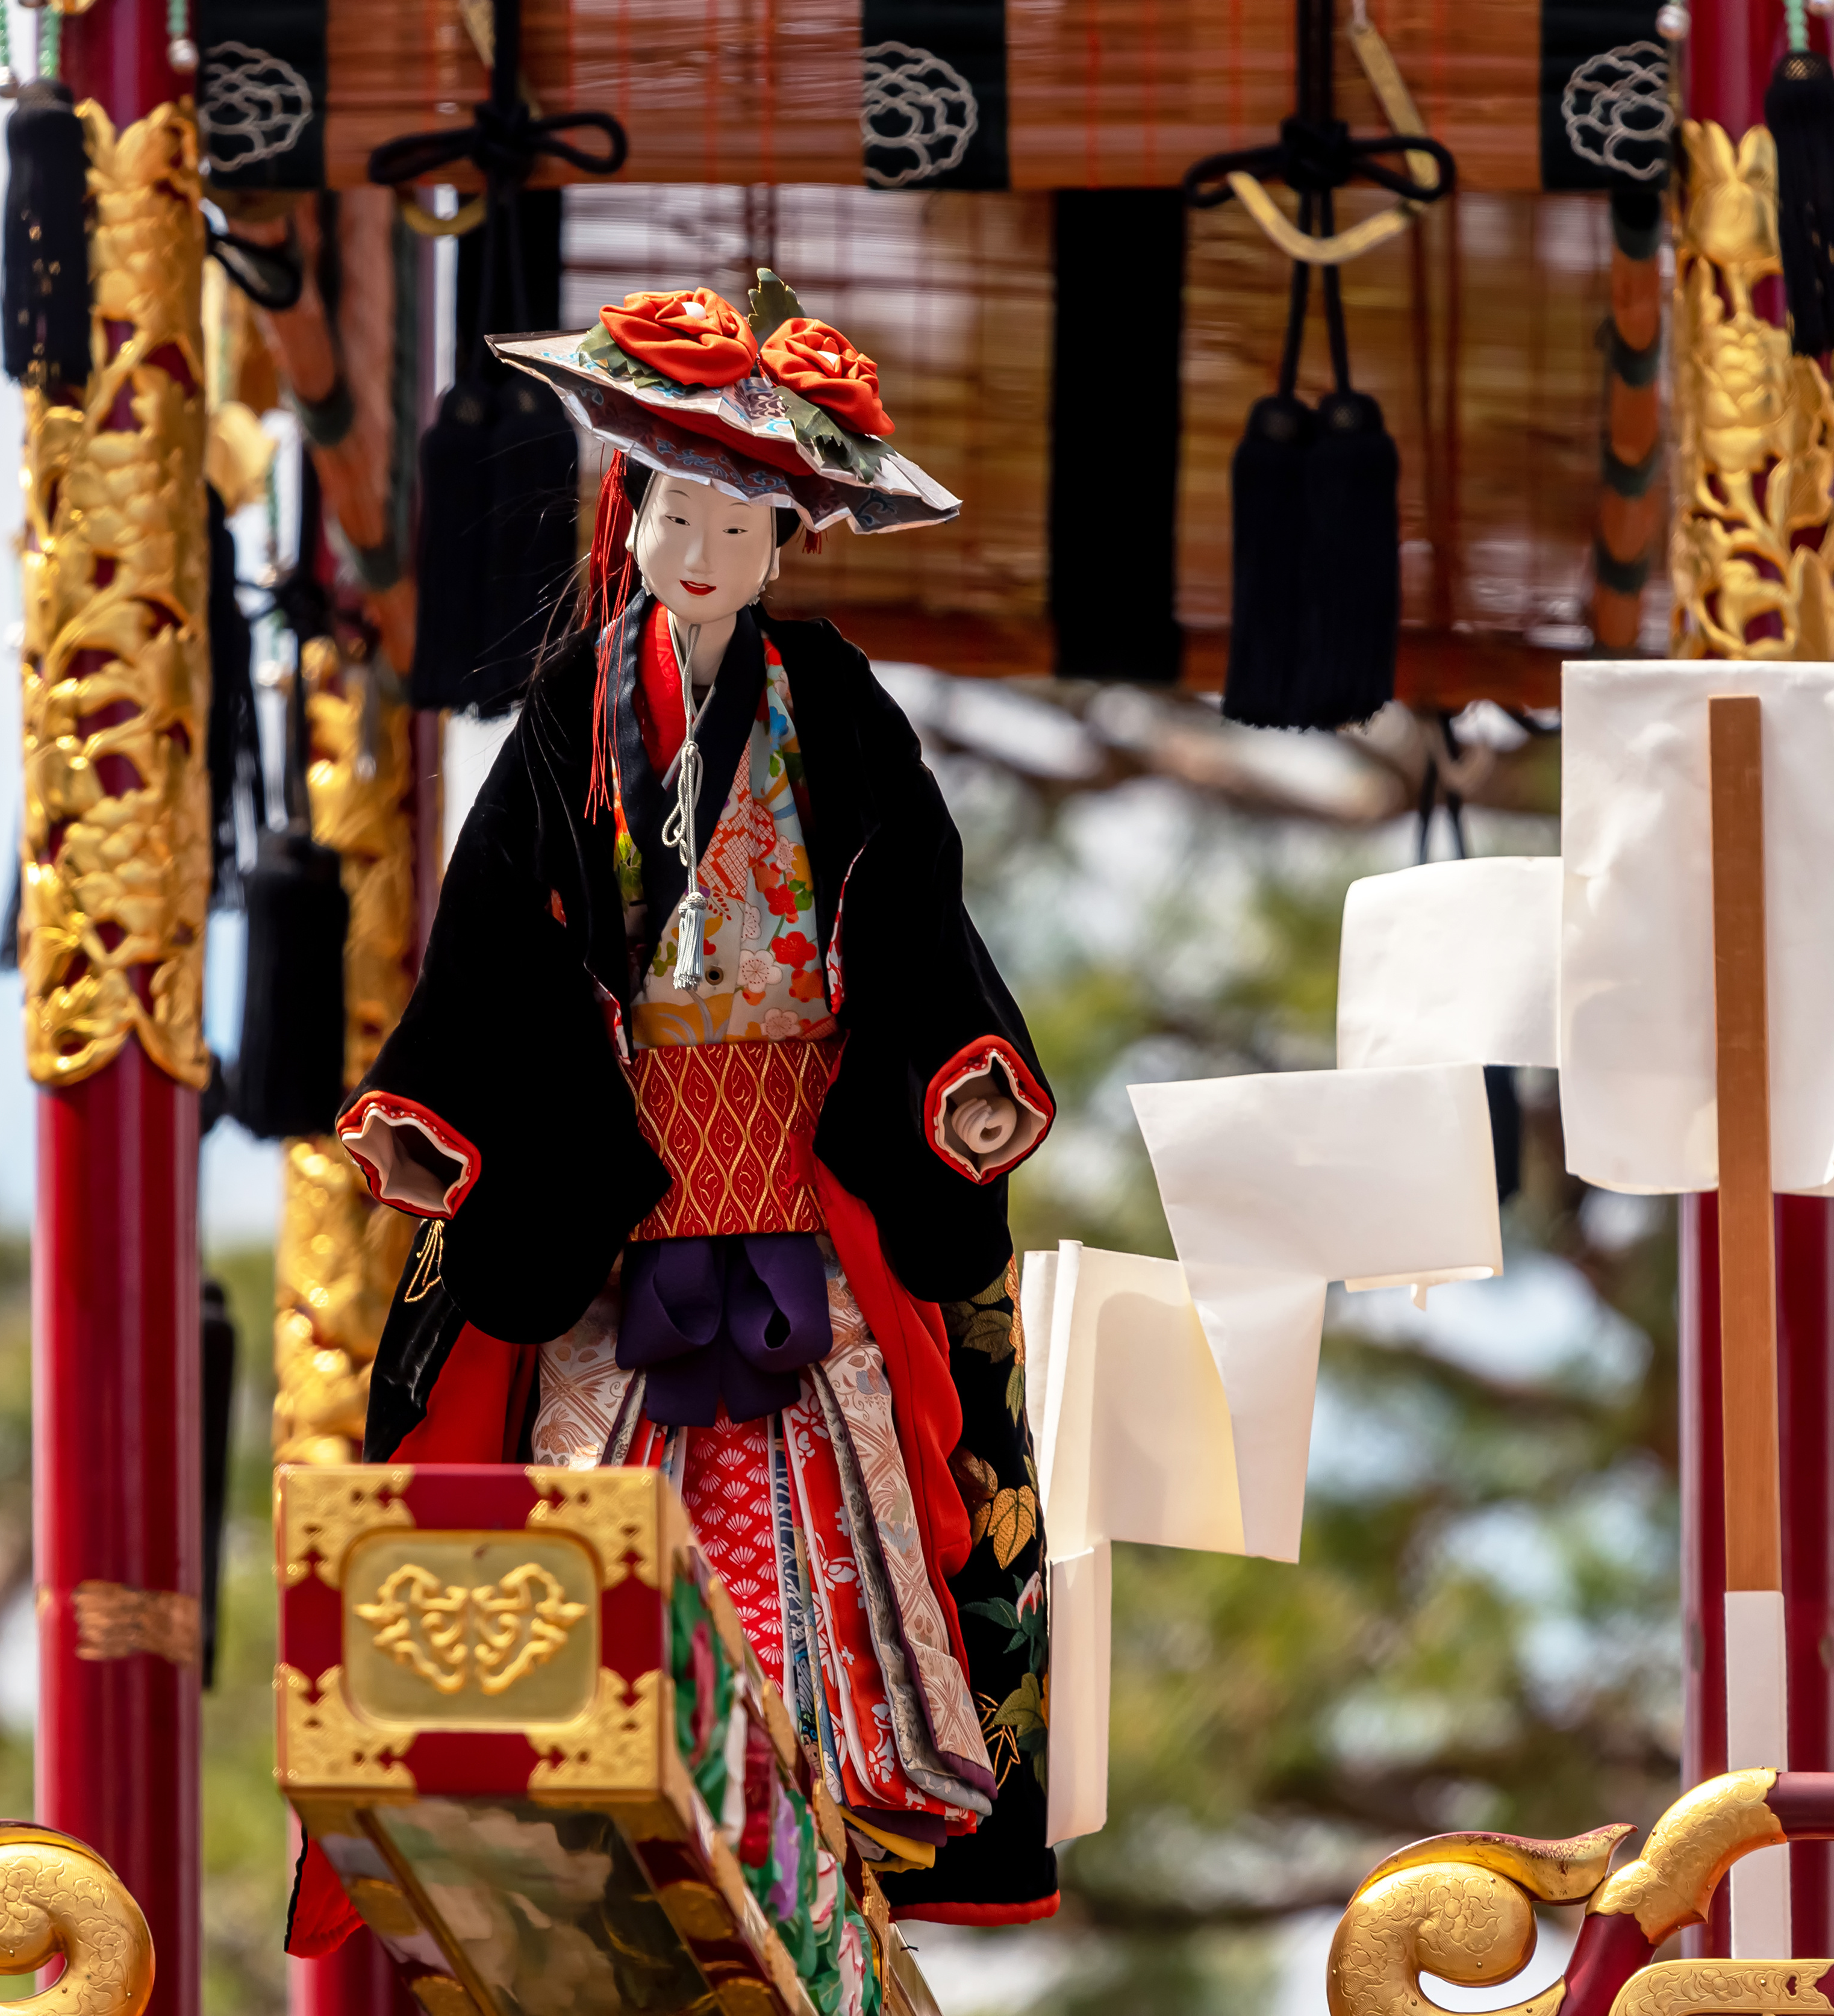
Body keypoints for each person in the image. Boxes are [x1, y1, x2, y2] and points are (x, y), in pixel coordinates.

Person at [331, 272, 1058, 1924]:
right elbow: (495, 928)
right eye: (679, 508)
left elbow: (920, 916)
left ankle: (836, 1789)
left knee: (835, 1477)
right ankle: (607, 1793)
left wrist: (963, 1073)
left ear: (794, 540)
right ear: (635, 511)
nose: (709, 547)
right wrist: (437, 1097)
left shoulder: (838, 708)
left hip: (805, 1162)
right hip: (619, 1172)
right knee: (598, 1485)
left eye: (746, 520)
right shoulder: (572, 707)